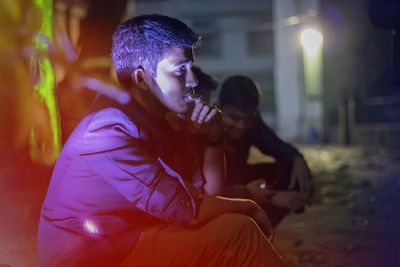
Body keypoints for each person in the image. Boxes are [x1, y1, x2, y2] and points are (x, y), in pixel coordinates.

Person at [37, 15, 284, 266]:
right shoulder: (108, 130)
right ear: (142, 78)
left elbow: (206, 193)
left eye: (190, 68)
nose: (193, 81)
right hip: (86, 256)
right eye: (180, 70)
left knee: (228, 229)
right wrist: (250, 207)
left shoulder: (153, 121)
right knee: (238, 232)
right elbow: (188, 210)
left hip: (123, 242)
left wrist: (213, 138)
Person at [218, 75, 314, 227]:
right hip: (219, 195)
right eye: (234, 118)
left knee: (289, 169)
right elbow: (207, 192)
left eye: (247, 119)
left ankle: (261, 234)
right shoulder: (207, 127)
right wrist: (271, 197)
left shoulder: (253, 123)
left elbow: (276, 146)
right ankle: (239, 239)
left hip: (242, 183)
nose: (241, 126)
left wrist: (298, 159)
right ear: (219, 108)